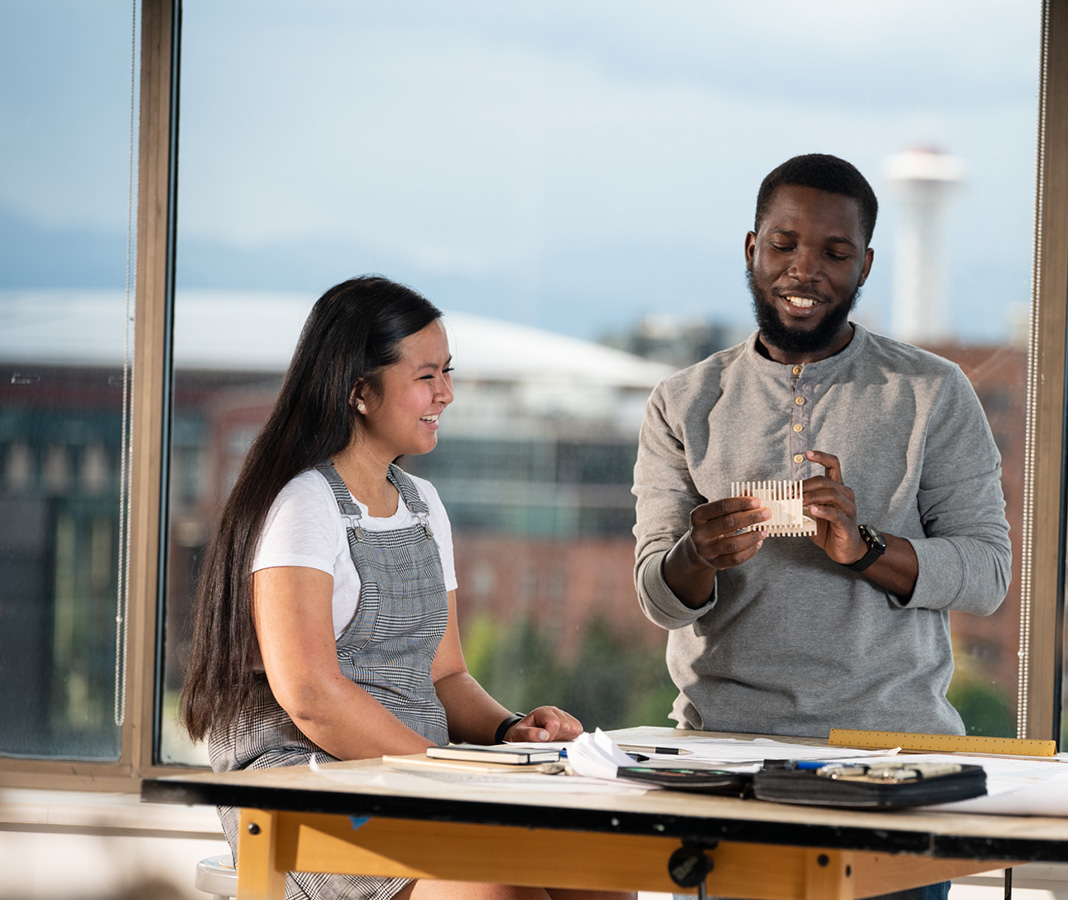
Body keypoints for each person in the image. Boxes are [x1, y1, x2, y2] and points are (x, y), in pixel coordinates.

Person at [180, 276, 624, 900]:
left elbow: (446, 678)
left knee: (597, 866)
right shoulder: (305, 505)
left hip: (411, 780)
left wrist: (508, 732)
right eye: (426, 376)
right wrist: (445, 778)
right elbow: (310, 696)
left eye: (448, 372)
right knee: (489, 889)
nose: (446, 393)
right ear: (360, 390)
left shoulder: (421, 505)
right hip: (308, 787)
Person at [632, 153, 1012, 740]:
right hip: (722, 743)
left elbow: (987, 576)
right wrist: (697, 554)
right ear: (751, 249)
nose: (803, 270)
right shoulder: (682, 401)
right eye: (784, 245)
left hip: (893, 744)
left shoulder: (931, 390)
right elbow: (659, 599)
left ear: (864, 266)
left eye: (834, 254)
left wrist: (865, 549)